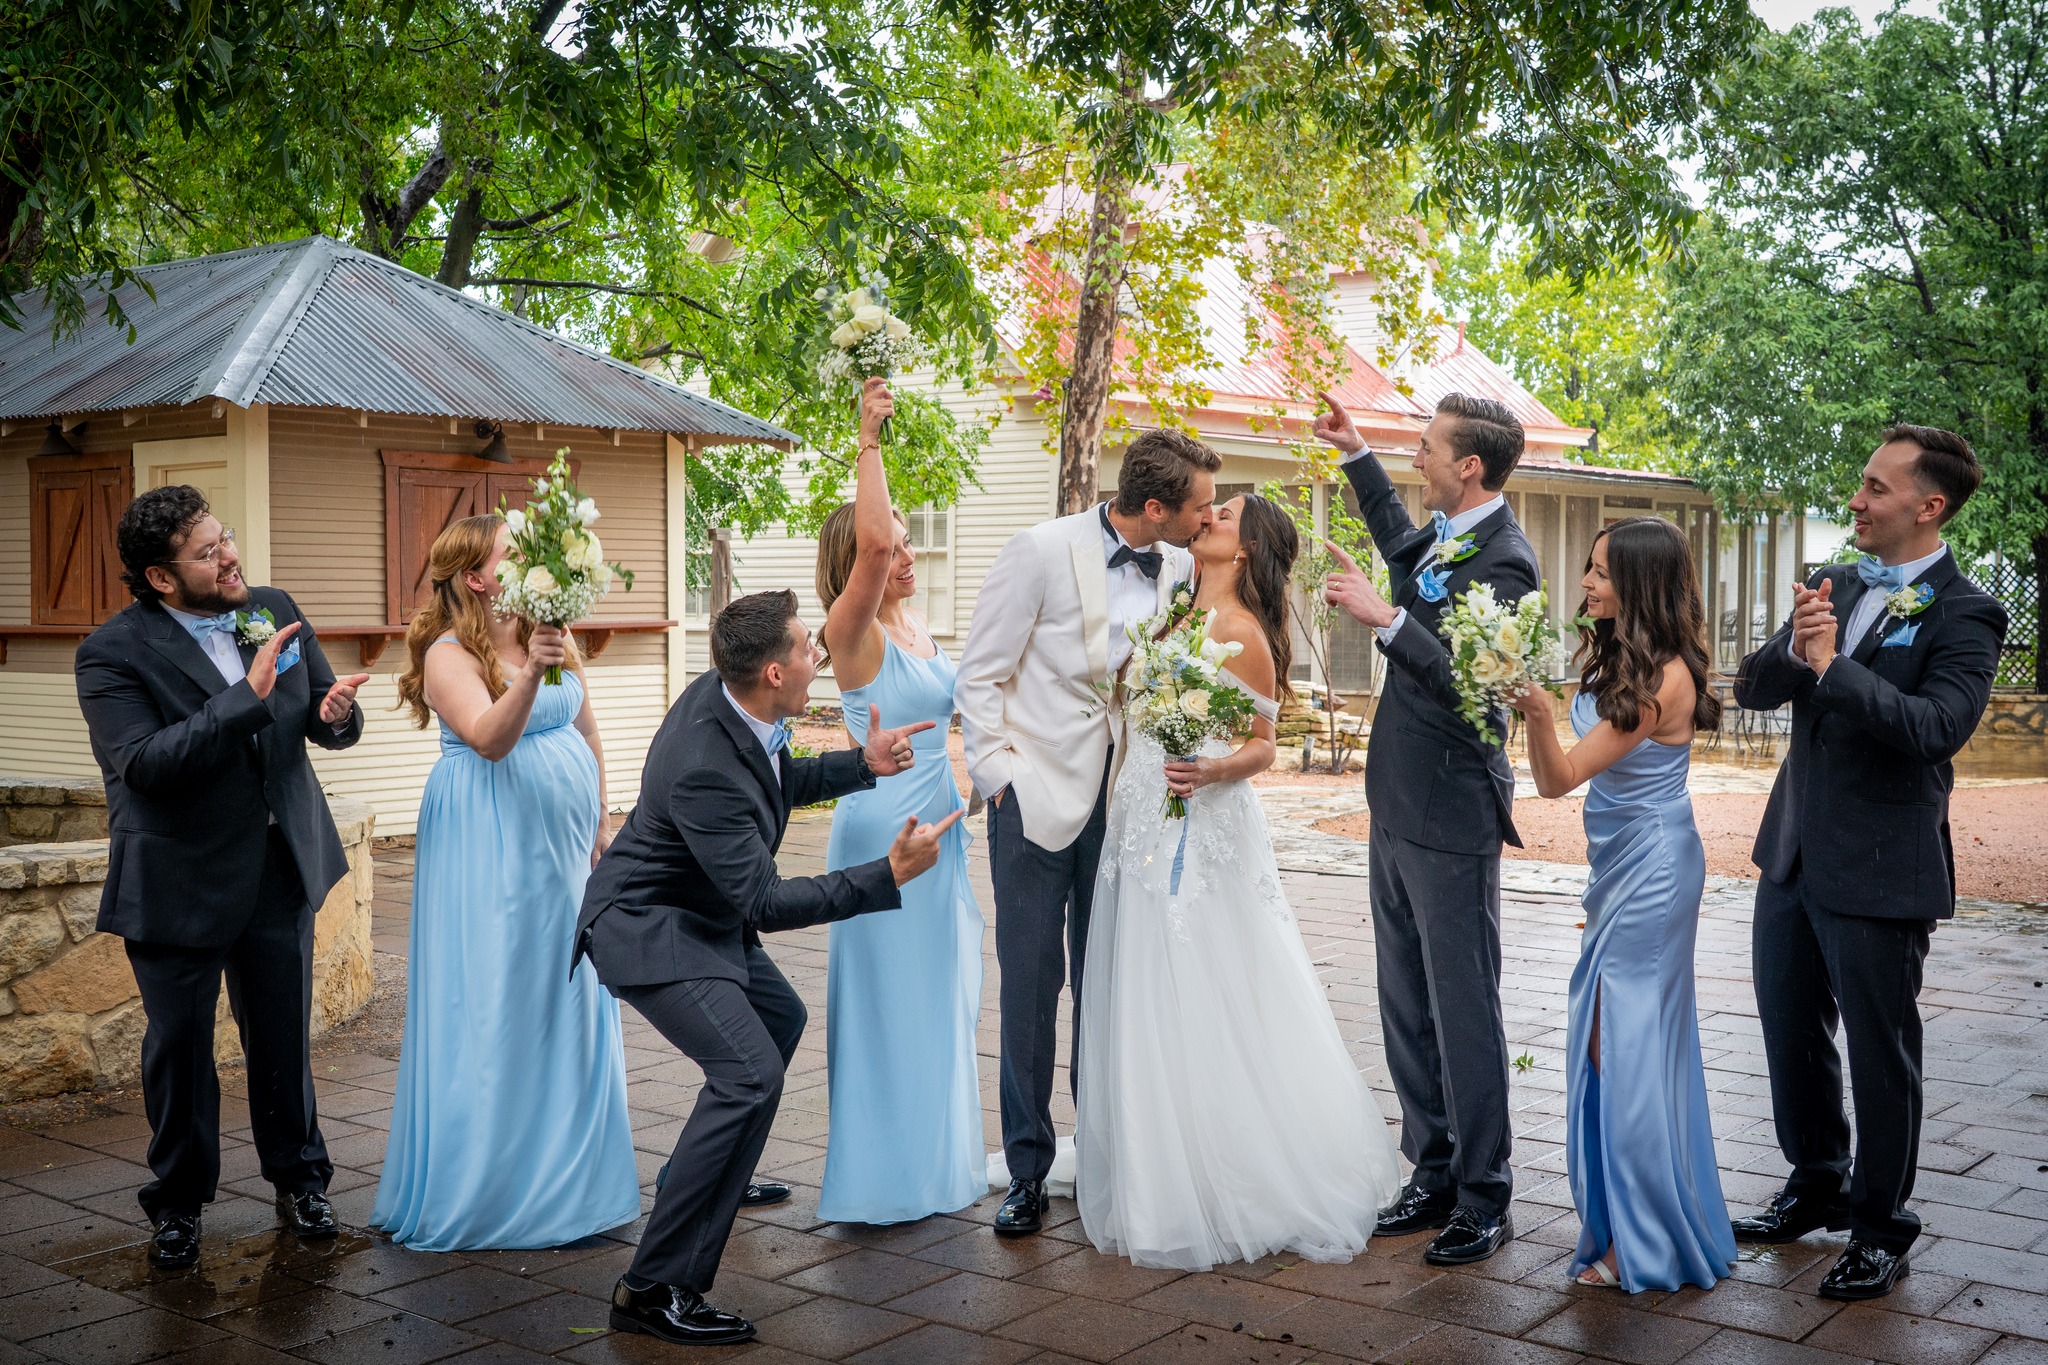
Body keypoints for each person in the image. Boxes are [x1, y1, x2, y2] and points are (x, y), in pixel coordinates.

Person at [574, 590, 960, 1346]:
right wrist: (886, 873)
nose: (819, 650)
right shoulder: (703, 764)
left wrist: (863, 764)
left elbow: (778, 779)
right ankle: (650, 1287)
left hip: (700, 911)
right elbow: (765, 901)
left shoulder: (738, 699)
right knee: (750, 1075)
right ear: (776, 672)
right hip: (651, 927)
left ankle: (716, 1166)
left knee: (780, 1019)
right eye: (806, 647)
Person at [1076, 494, 1403, 1270]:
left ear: (1247, 549)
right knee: (1143, 978)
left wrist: (1212, 768)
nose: (1209, 517)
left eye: (1223, 514)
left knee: (1200, 979)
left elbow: (1262, 747)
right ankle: (1155, 1154)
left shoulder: (1245, 634)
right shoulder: (1173, 611)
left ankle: (1215, 1167)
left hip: (1202, 823)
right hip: (1141, 817)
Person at [1731, 425, 2006, 1301]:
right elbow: (1750, 687)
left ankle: (1882, 1225)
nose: (1856, 499)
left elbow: (1934, 729)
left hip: (1884, 869)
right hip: (1794, 854)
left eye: (1877, 488)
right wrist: (1794, 645)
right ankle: (1816, 1179)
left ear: (1929, 506)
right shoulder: (1836, 581)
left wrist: (1833, 665)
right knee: (1788, 1030)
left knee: (1882, 1055)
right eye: (1860, 483)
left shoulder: (1968, 611)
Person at [74, 486, 369, 1269]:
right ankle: (177, 1202)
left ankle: (301, 1180)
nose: (230, 556)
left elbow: (316, 717)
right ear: (162, 578)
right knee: (179, 1047)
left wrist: (334, 715)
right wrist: (248, 696)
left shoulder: (268, 606)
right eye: (208, 552)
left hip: (280, 865)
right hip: (178, 877)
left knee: (282, 1036)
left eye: (225, 537)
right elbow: (144, 765)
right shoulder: (110, 652)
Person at [955, 429, 1216, 1235]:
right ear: (1153, 507)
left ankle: (1103, 1151)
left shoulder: (1178, 566)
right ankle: (1027, 1170)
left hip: (1126, 802)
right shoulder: (1039, 549)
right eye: (1199, 507)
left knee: (1108, 983)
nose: (1208, 520)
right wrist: (1002, 781)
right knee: (1032, 988)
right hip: (1034, 803)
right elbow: (980, 674)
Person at [371, 514, 640, 1250]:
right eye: (510, 557)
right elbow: (490, 738)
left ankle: (574, 1178)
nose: (526, 565)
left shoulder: (548, 632)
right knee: (503, 991)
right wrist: (531, 670)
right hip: (491, 845)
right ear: (477, 578)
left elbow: (586, 731)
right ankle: (497, 1183)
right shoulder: (448, 654)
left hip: (561, 849)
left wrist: (600, 824)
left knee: (568, 984)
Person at [1318, 390, 1539, 1266]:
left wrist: (1388, 618)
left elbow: (1477, 692)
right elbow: (1409, 553)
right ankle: (1434, 1164)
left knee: (1461, 1003)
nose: (1420, 456)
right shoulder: (1450, 540)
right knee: (1405, 997)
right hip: (1396, 800)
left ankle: (1485, 1192)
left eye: (1426, 446)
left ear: (1470, 465)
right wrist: (1357, 453)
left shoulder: (1510, 563)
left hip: (1450, 810)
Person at [1508, 517, 1737, 1292]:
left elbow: (1558, 777)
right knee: (1623, 1044)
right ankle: (1637, 1220)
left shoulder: (1665, 676)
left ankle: (1639, 1239)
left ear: (1639, 583)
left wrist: (1538, 714)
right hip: (1619, 870)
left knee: (1623, 1046)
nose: (1586, 583)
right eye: (1589, 569)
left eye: (1601, 572)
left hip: (1654, 867)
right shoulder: (1623, 660)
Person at [813, 380, 985, 1225]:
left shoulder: (919, 627)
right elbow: (874, 543)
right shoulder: (855, 633)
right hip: (885, 830)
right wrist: (866, 440)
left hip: (943, 830)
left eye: (913, 543)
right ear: (857, 564)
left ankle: (932, 1168)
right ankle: (879, 1180)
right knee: (886, 1007)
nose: (905, 554)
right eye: (896, 546)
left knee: (937, 998)